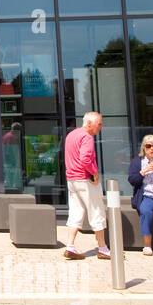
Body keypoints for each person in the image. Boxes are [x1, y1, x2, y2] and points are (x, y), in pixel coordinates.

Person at [62, 111, 109, 260]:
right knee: (97, 212)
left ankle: (70, 245)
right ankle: (103, 248)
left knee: (76, 211)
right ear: (89, 123)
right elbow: (85, 159)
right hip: (85, 179)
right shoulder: (86, 137)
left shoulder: (71, 135)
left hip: (72, 180)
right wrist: (94, 172)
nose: (100, 127)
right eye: (99, 124)